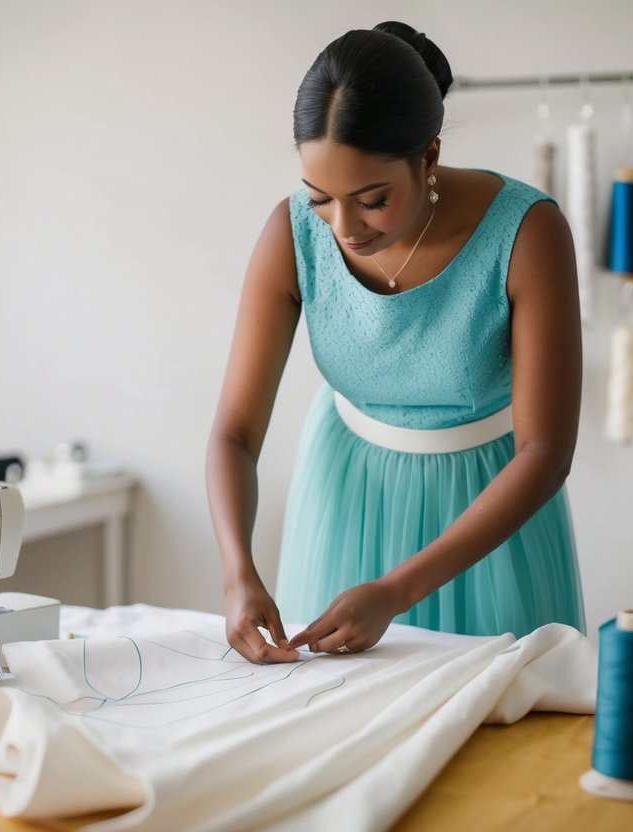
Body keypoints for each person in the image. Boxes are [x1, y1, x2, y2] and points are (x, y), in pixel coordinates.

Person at [206, 21, 585, 665]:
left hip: (487, 514)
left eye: (373, 200)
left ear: (429, 157)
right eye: (321, 198)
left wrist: (395, 591)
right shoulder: (293, 233)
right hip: (342, 499)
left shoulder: (527, 232)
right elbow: (234, 435)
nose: (344, 227)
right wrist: (237, 572)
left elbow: (545, 453)